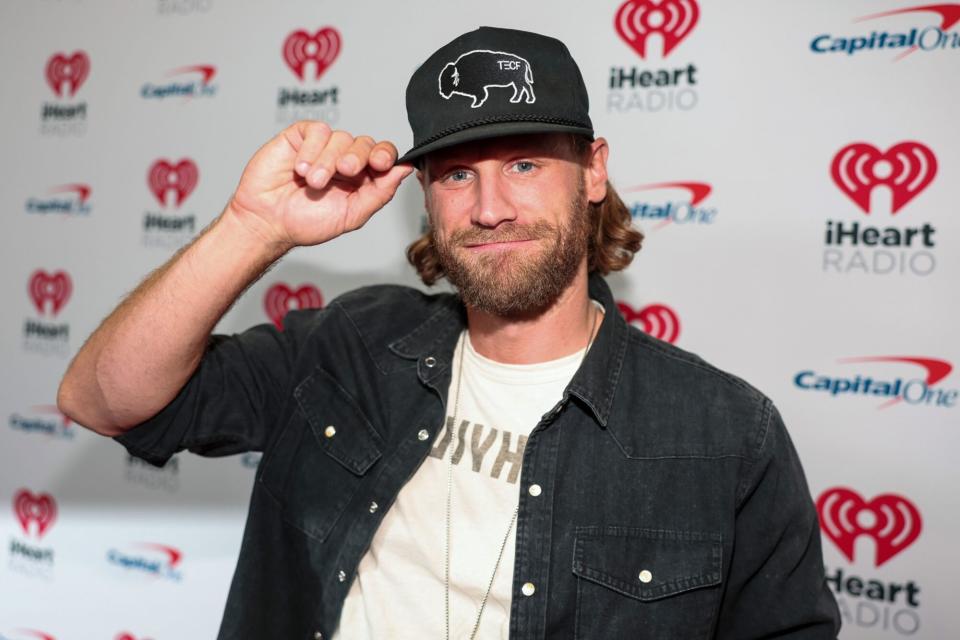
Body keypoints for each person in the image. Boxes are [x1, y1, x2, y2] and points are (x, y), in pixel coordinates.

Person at [58, 26, 840, 640]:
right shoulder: (349, 347)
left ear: (593, 171)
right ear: (426, 194)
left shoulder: (725, 433)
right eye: (458, 174)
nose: (490, 206)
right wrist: (252, 228)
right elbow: (106, 400)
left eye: (526, 164)